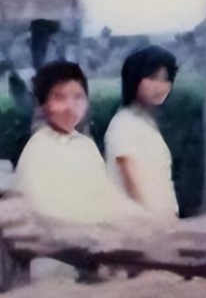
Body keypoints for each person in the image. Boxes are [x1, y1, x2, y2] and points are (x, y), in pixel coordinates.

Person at [14, 60, 142, 225]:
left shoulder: (86, 146)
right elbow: (42, 210)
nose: (70, 107)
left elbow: (106, 196)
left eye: (78, 97)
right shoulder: (38, 148)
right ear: (42, 103)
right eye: (60, 97)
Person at [105, 46, 180, 220]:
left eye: (166, 79)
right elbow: (134, 185)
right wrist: (158, 223)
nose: (160, 86)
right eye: (152, 78)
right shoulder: (124, 123)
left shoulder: (147, 124)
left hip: (162, 225)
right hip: (138, 226)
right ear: (134, 79)